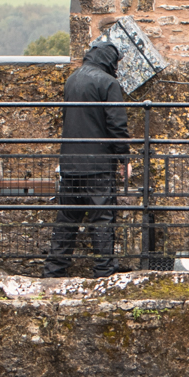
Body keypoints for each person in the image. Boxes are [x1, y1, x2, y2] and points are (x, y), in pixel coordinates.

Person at [42, 39, 132, 278]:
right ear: (110, 61)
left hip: (70, 163)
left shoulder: (72, 80)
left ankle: (54, 271)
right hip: (98, 165)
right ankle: (103, 272)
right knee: (102, 219)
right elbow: (117, 125)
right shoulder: (108, 83)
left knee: (67, 219)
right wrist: (124, 159)